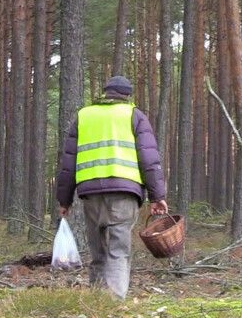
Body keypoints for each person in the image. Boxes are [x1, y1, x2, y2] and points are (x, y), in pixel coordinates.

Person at [56, 76, 168, 300]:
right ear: (128, 95)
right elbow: (149, 160)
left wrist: (64, 200)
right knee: (117, 251)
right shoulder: (134, 116)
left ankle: (97, 301)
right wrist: (158, 196)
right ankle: (114, 303)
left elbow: (69, 162)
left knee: (98, 253)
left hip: (90, 194)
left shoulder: (84, 116)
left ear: (106, 93)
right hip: (123, 193)